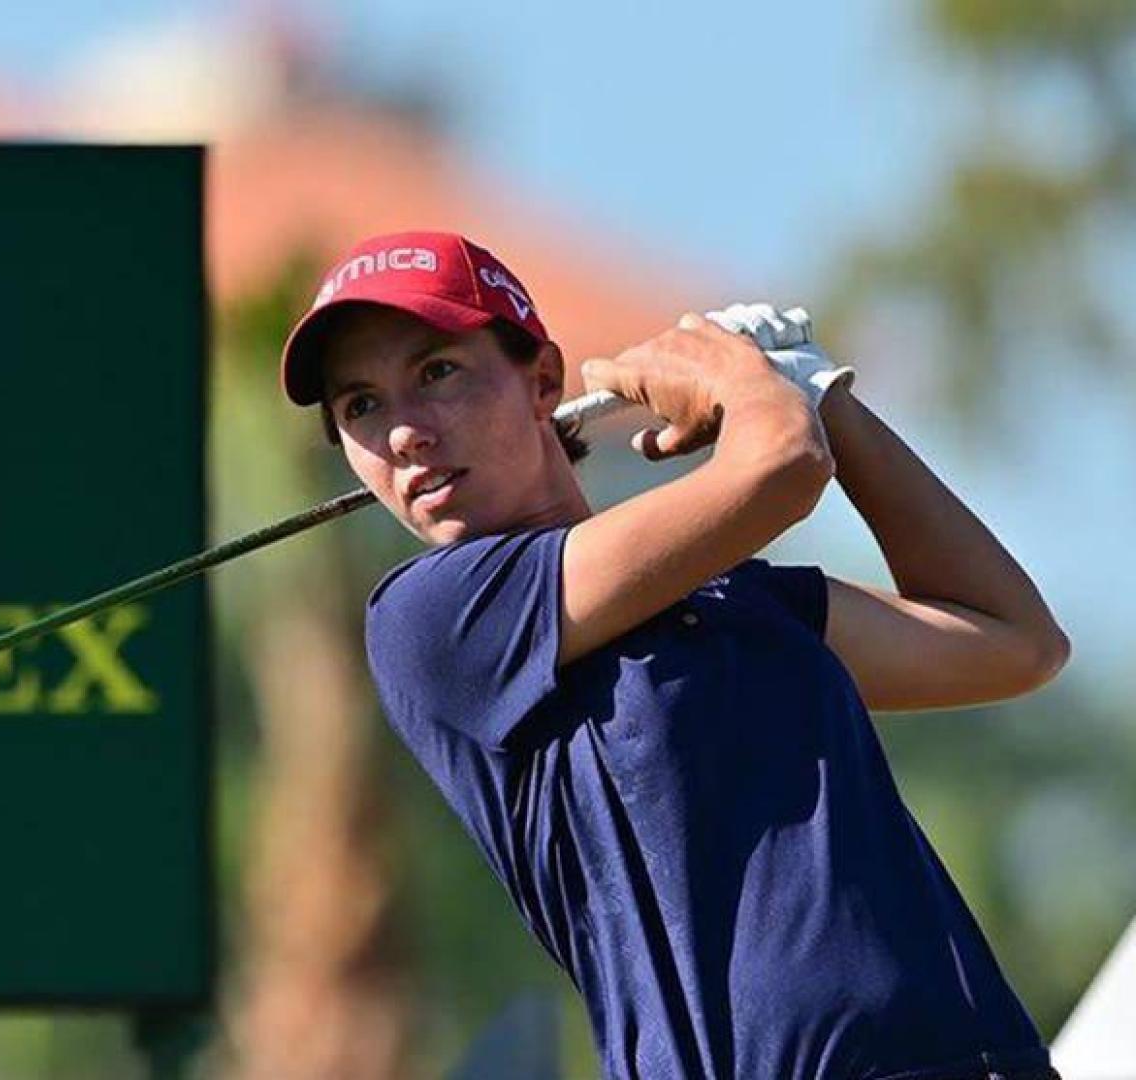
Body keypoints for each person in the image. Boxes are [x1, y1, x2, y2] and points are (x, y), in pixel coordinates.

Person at [278, 230, 1072, 1080]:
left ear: (542, 381)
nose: (402, 432)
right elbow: (782, 467)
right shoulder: (432, 617)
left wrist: (822, 390)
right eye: (360, 406)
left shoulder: (741, 604)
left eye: (437, 373)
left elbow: (1012, 640)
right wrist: (744, 381)